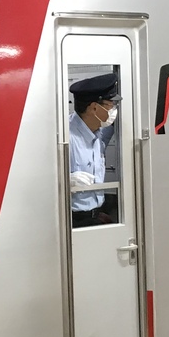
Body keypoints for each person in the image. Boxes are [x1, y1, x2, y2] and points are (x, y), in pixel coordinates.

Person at [68, 72, 120, 228]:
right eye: (110, 104)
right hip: (72, 221)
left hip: (96, 215)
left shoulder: (97, 132)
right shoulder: (65, 137)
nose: (114, 110)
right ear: (94, 108)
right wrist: (63, 180)